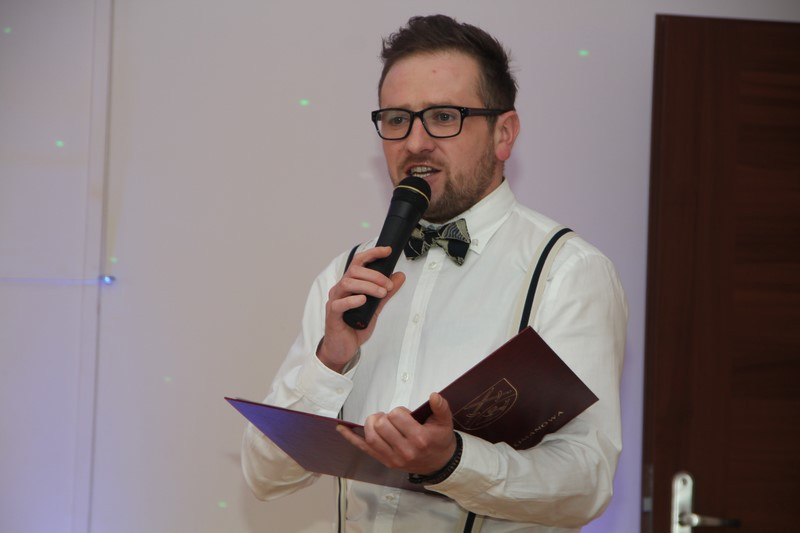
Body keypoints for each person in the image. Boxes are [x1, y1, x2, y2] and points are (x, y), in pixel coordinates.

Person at [241, 14, 627, 532]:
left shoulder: (568, 272)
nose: (416, 142)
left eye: (444, 116)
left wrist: (452, 462)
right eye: (397, 119)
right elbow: (265, 476)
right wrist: (331, 362)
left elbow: (586, 482)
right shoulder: (346, 276)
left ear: (504, 133)